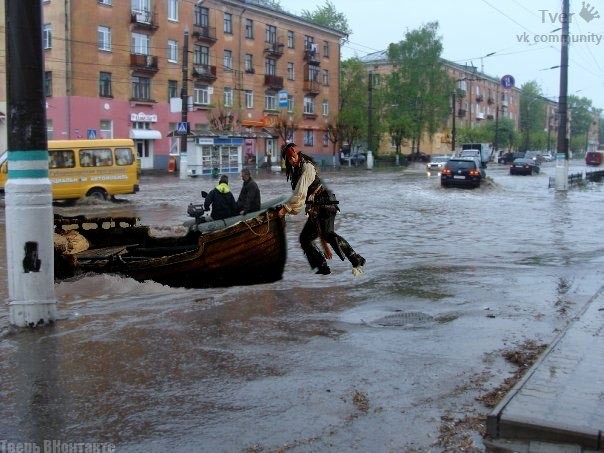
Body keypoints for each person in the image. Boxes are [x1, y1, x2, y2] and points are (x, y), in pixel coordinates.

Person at [278, 142, 366, 276]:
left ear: (298, 154)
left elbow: (300, 193)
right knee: (305, 239)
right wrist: (287, 208)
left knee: (328, 234)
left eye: (293, 156)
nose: (292, 160)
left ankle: (356, 258)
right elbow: (299, 195)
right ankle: (322, 265)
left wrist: (286, 208)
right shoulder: (296, 172)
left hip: (326, 205)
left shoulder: (307, 167)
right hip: (315, 209)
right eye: (289, 159)